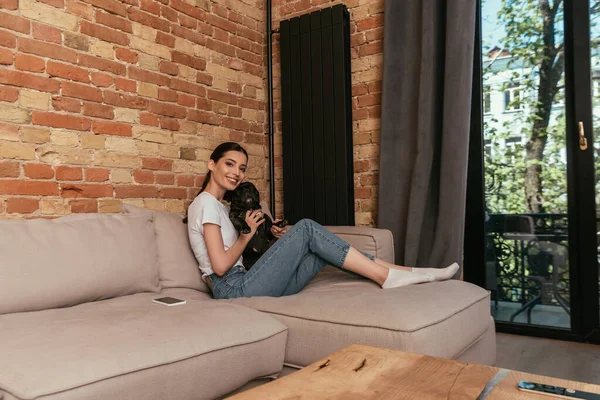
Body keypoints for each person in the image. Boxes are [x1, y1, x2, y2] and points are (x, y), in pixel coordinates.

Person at [187, 142, 459, 299]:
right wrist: (246, 235)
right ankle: (387, 276)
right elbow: (221, 266)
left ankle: (412, 272)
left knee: (320, 250)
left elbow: (237, 253)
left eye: (242, 168)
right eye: (229, 164)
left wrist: (270, 234)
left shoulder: (220, 208)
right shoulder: (205, 204)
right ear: (212, 165)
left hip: (246, 281)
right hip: (233, 289)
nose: (236, 173)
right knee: (306, 228)